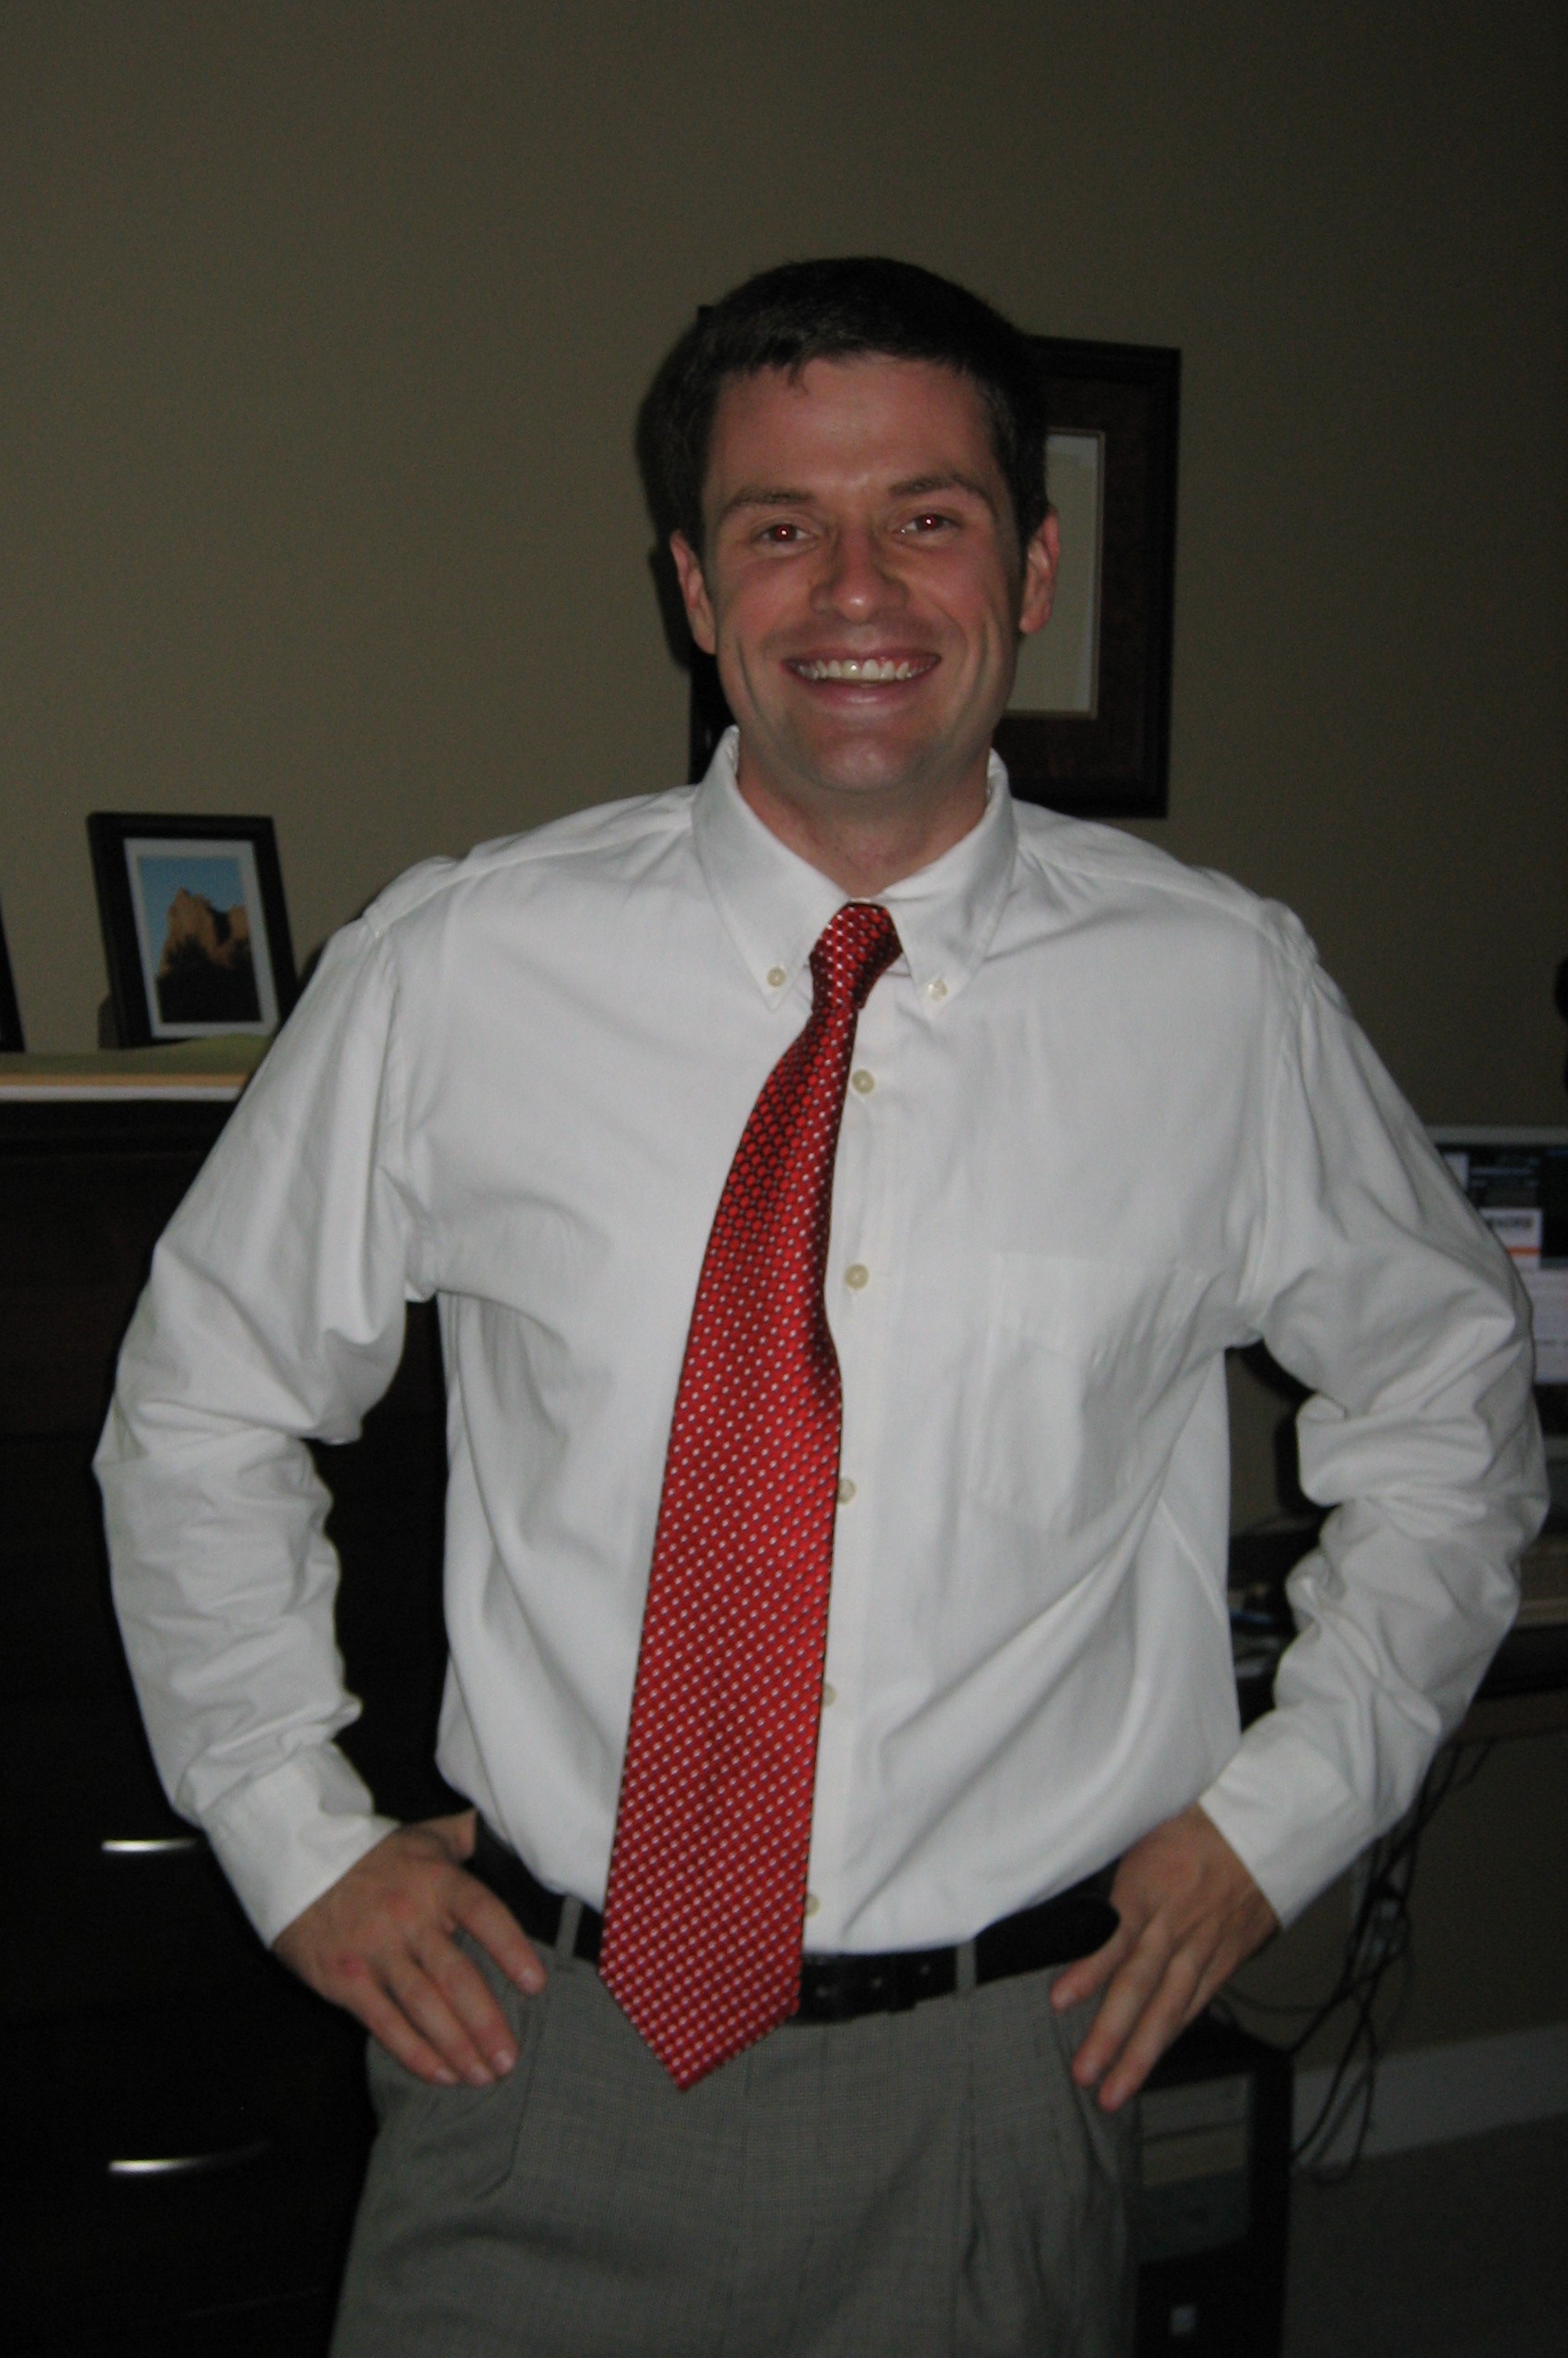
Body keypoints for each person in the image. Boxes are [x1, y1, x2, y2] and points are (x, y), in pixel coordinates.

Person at [97, 256, 1545, 2355]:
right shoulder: (459, 968)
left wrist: (1283, 1818)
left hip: (998, 2082)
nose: (855, 590)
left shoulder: (1221, 999)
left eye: (926, 517)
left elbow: (1449, 1404)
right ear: (697, 589)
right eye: (781, 527)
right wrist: (290, 1827)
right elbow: (204, 1403)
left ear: (1030, 567)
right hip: (532, 2058)